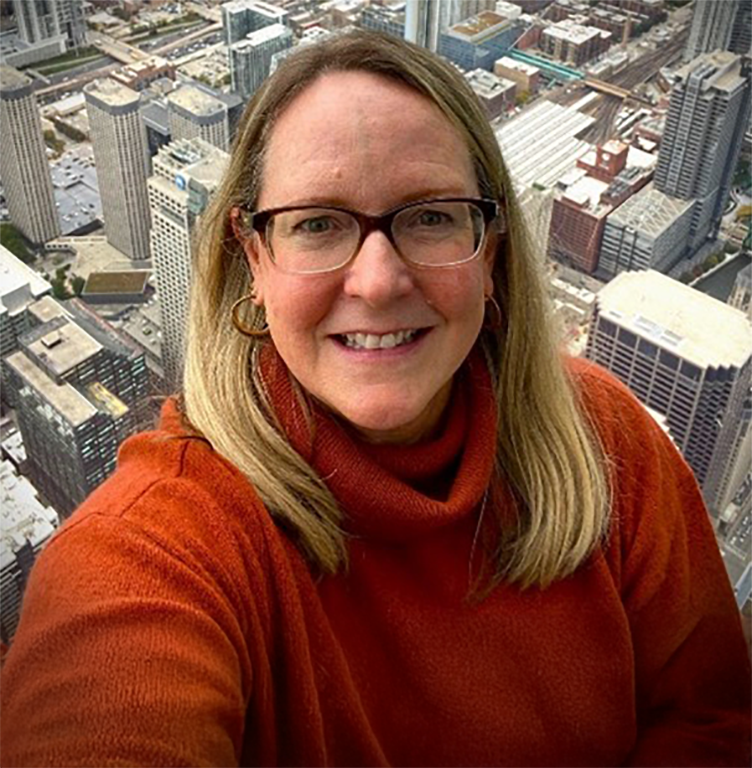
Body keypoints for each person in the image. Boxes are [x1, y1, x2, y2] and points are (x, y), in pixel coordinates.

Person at [1, 30, 751, 767]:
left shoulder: (603, 438)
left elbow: (716, 717)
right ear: (254, 257)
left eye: (430, 217)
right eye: (318, 224)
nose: (379, 281)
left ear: (490, 248)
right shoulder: (162, 546)